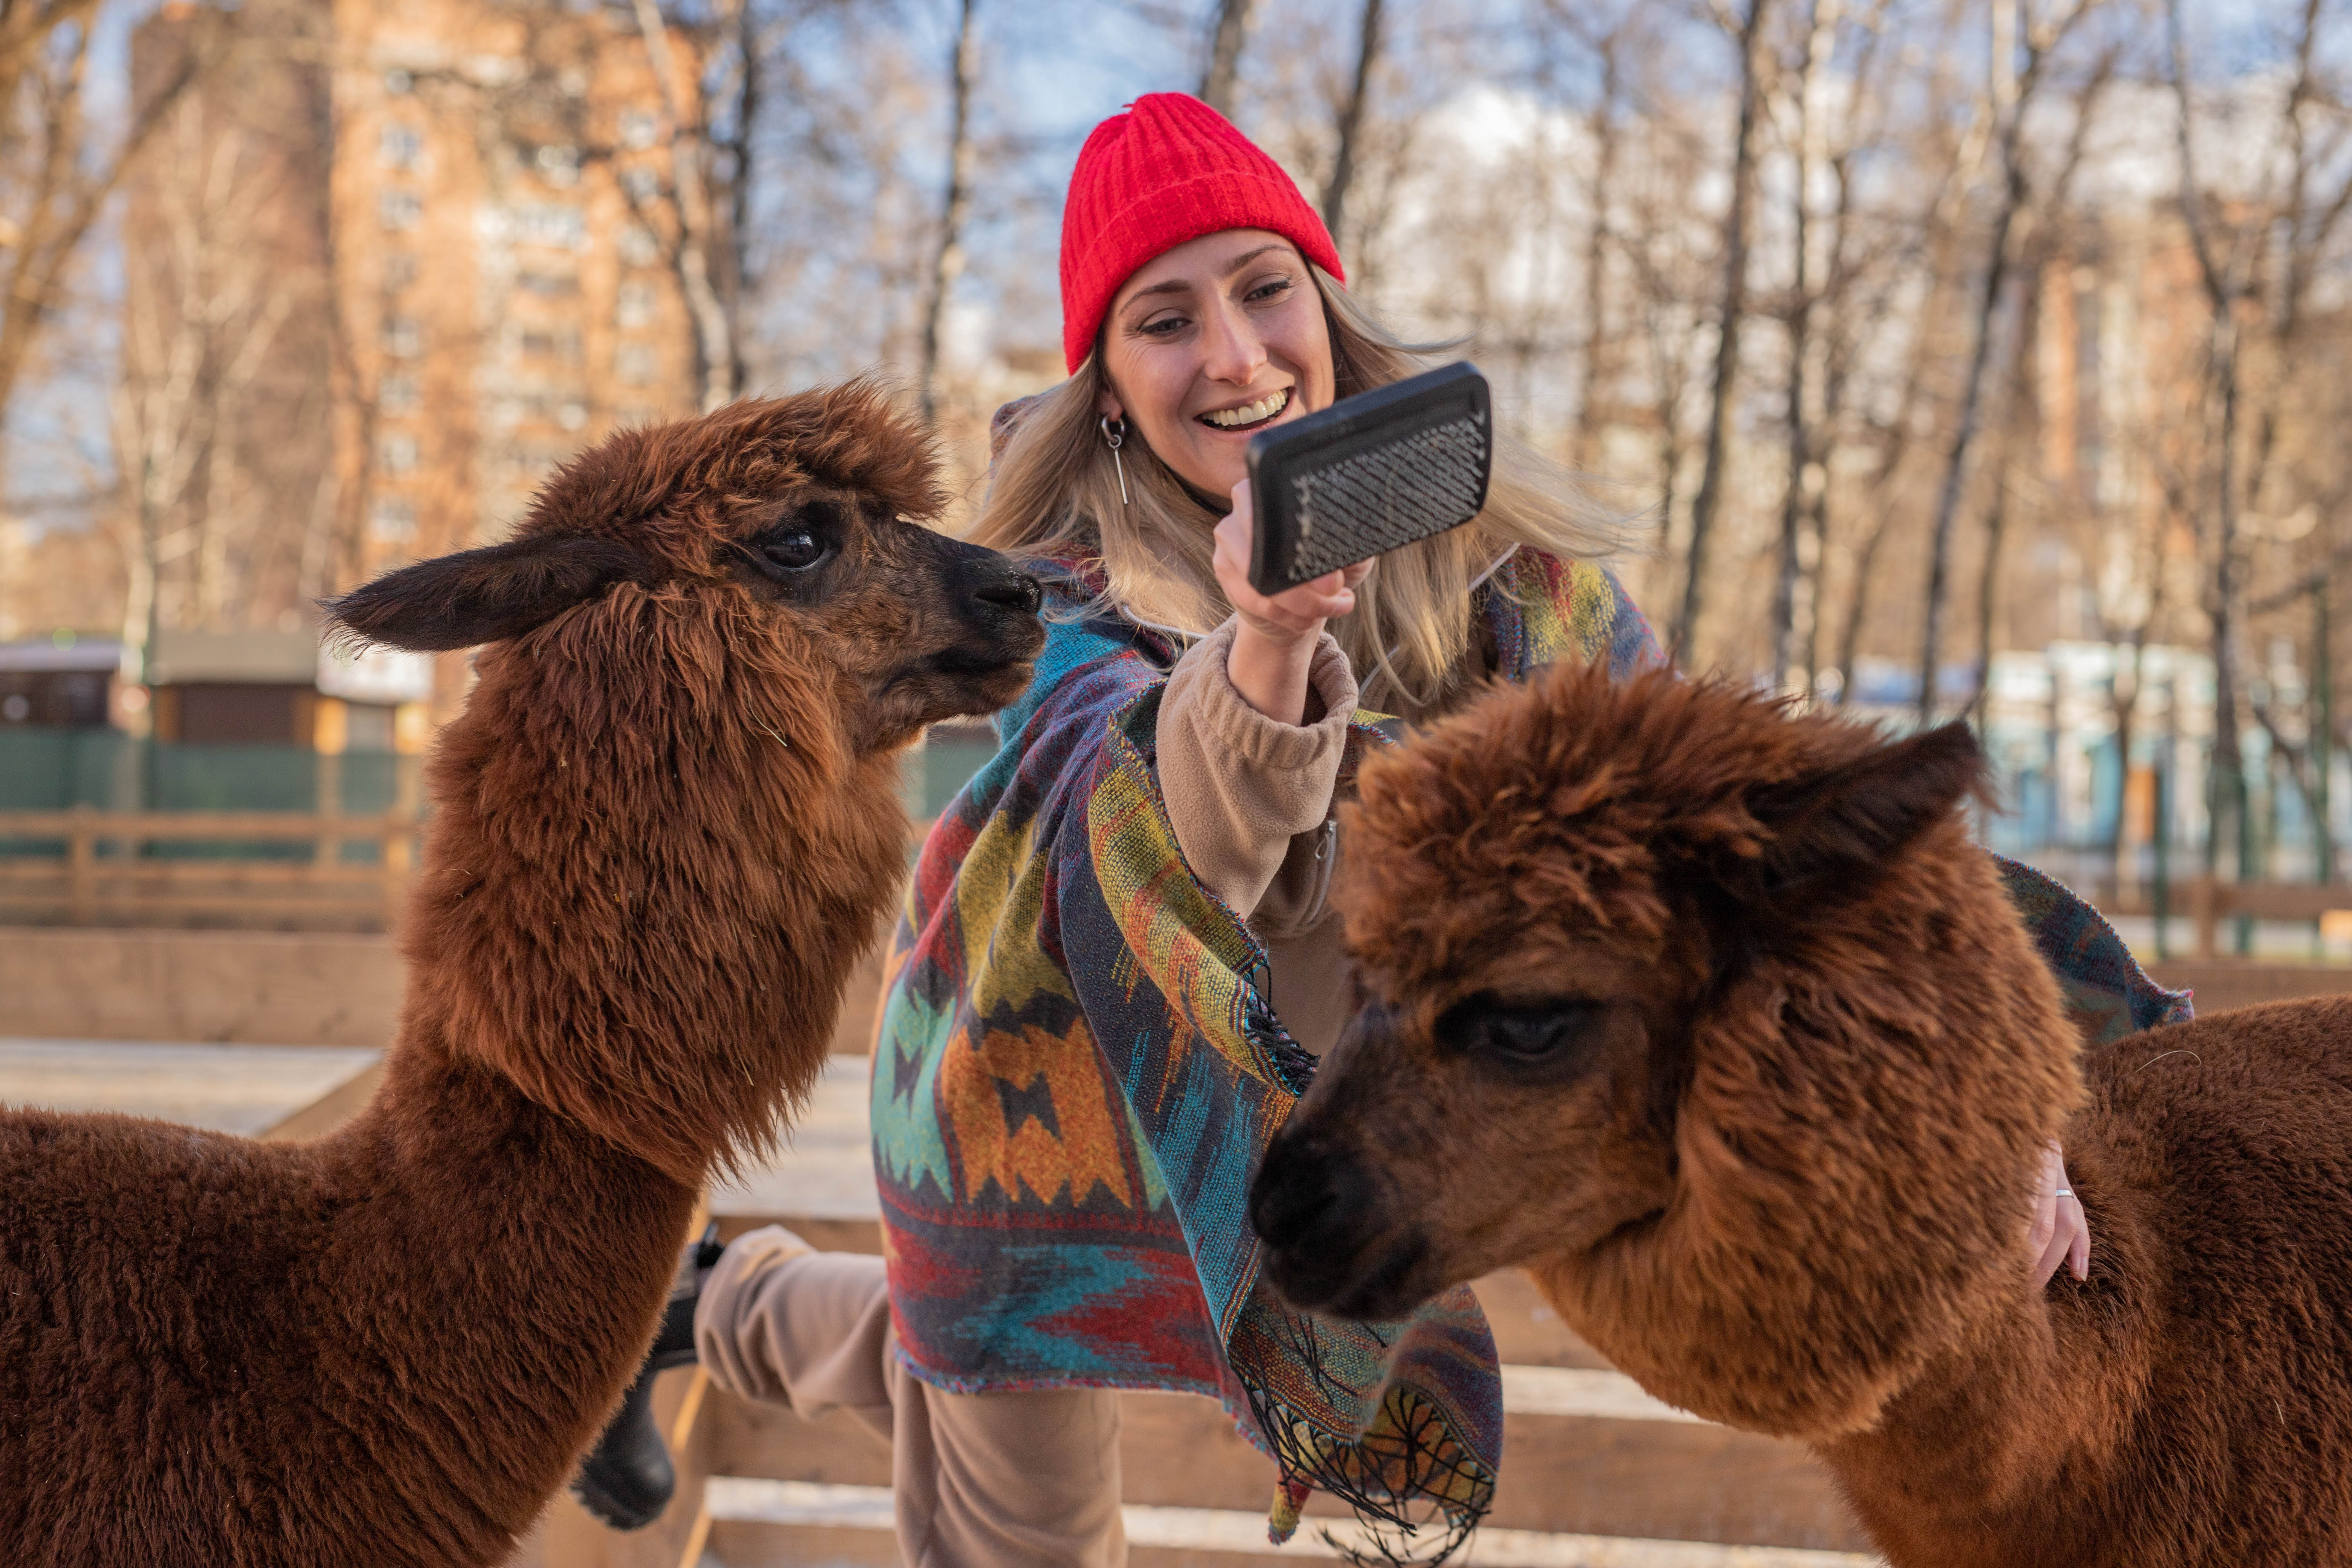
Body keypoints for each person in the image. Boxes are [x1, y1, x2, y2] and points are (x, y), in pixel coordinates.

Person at [579, 92, 2137, 1565]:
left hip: (1324, 1126)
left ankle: (708, 1294)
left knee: (1010, 1337)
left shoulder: (1521, 590)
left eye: (1264, 290)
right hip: (1047, 1113)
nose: (1236, 353)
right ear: (1109, 385)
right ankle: (723, 1300)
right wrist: (1263, 643)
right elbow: (1162, 860)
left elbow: (1737, 835)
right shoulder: (1047, 594)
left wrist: (2010, 1112)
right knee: (1007, 1457)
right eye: (1165, 320)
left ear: (1327, 309)